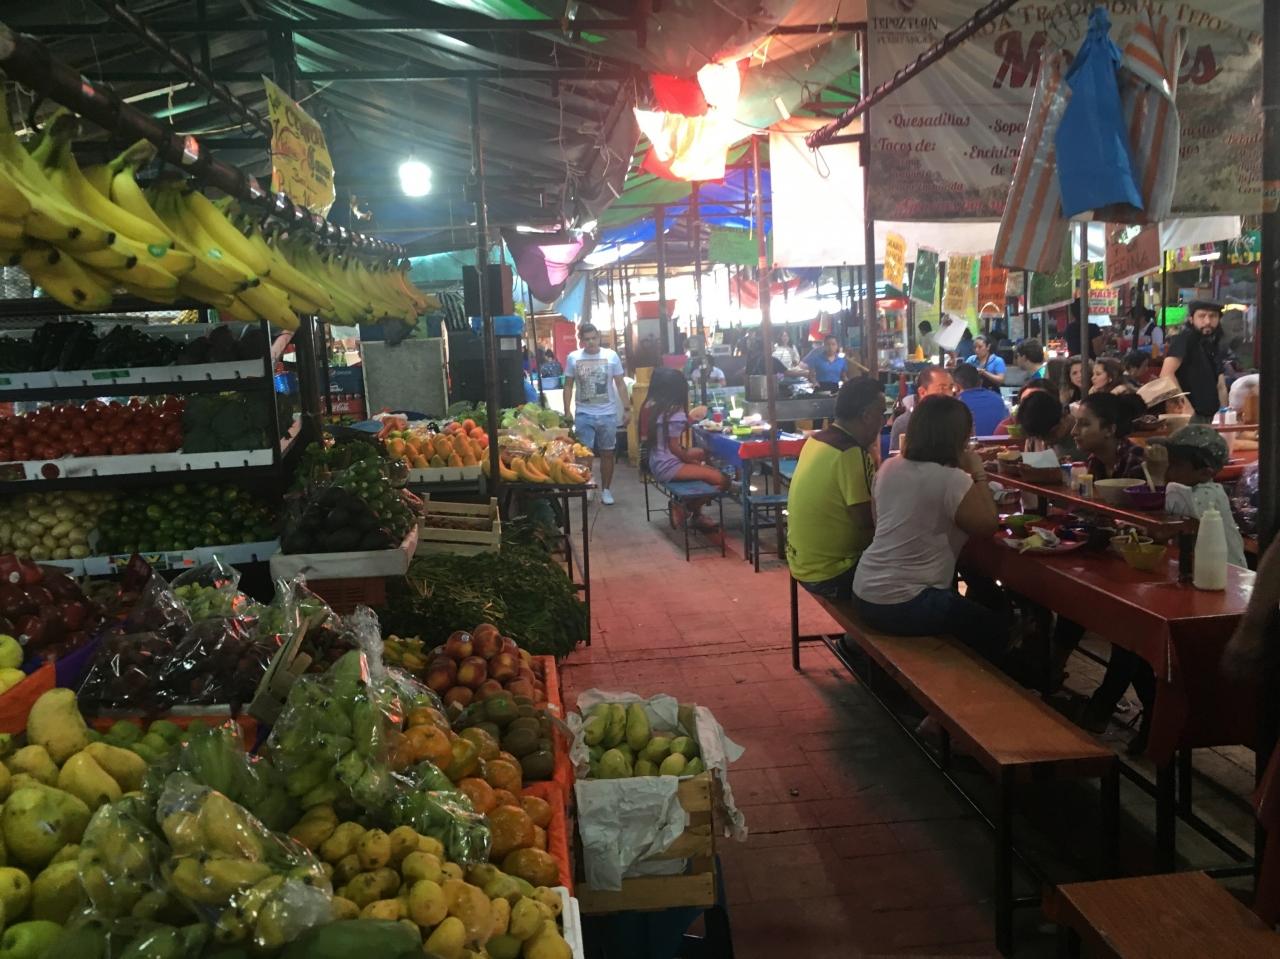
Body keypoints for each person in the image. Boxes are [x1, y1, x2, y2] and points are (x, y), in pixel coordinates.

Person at [852, 395, 1006, 662]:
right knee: (996, 630)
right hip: (907, 603)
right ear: (958, 438)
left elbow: (880, 523)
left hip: (864, 592)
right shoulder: (952, 479)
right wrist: (978, 473)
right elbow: (988, 525)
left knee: (972, 608)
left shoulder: (889, 467)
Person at [785, 377, 884, 600]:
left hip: (802, 562)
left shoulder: (817, 440)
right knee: (911, 571)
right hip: (832, 572)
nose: (884, 421)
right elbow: (867, 522)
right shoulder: (849, 452)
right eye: (881, 413)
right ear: (867, 416)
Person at [643, 367, 730, 532]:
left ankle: (697, 515)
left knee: (702, 460)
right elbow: (674, 448)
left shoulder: (653, 407)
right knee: (723, 481)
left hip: (656, 461)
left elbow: (668, 440)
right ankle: (685, 508)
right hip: (668, 466)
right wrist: (692, 461)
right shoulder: (673, 412)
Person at [564, 323, 630, 505]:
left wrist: (627, 408)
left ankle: (606, 490)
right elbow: (568, 385)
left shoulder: (611, 356)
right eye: (587, 339)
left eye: (594, 338)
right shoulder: (573, 358)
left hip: (608, 414)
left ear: (599, 337)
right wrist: (567, 411)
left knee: (607, 453)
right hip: (584, 414)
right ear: (581, 340)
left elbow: (620, 384)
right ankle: (588, 486)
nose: (591, 342)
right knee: (584, 455)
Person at [1160, 300, 1229, 423]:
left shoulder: (1213, 343)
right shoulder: (1184, 338)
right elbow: (1166, 374)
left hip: (1212, 416)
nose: (1207, 321)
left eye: (1213, 316)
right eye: (1202, 316)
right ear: (1191, 319)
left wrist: (1225, 413)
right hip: (1190, 415)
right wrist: (1185, 405)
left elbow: (1220, 385)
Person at [889, 366, 954, 452]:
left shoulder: (955, 419)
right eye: (942, 388)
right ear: (922, 392)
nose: (949, 394)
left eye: (950, 388)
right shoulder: (905, 423)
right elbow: (898, 458)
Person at [1016, 389, 1082, 461]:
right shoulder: (1034, 436)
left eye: (1051, 435)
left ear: (1064, 415)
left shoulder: (1085, 435)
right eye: (1039, 438)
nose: (1045, 443)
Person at [952, 363, 1009, 436]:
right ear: (981, 382)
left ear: (956, 386)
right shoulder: (998, 399)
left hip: (969, 442)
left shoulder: (955, 404)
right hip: (999, 442)